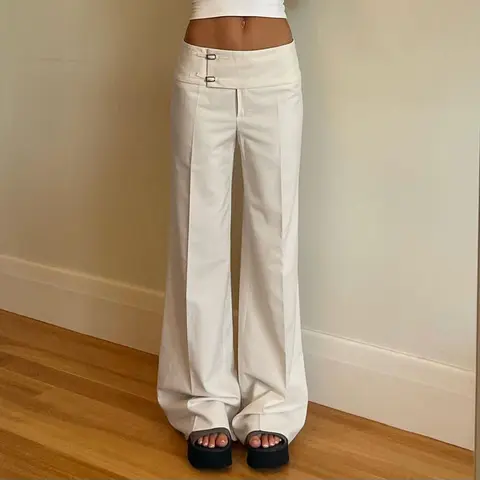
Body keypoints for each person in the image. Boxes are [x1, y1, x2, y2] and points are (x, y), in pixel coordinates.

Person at [157, 0, 308, 470]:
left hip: (275, 70)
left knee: (275, 245)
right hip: (203, 71)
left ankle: (272, 403)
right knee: (196, 238)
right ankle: (203, 400)